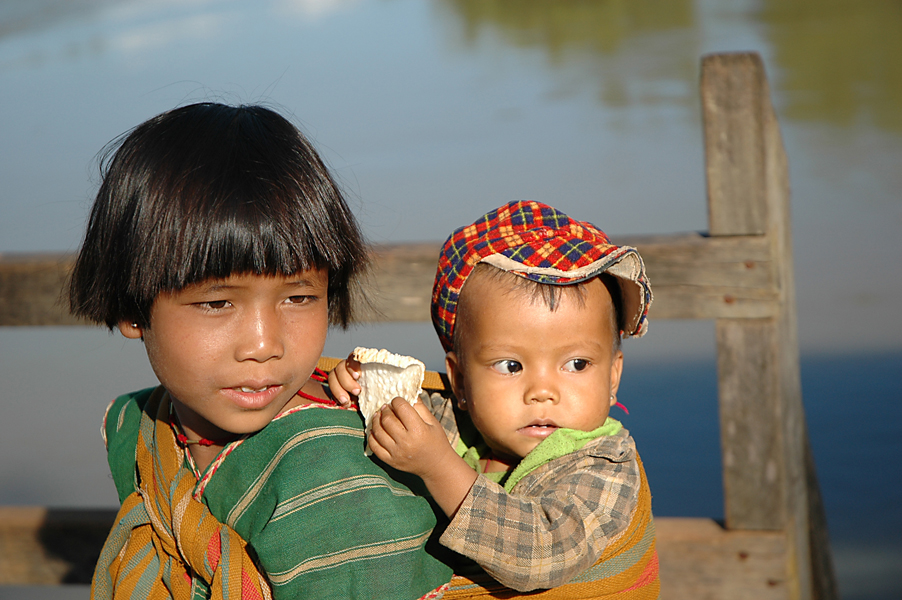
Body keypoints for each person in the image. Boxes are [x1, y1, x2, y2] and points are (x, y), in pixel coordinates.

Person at [67, 102, 452, 600]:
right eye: (216, 303)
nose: (264, 345)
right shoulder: (141, 427)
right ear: (132, 310)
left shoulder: (335, 489)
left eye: (298, 297)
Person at [330, 201, 660, 598]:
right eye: (510, 365)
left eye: (576, 363)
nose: (542, 391)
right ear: (461, 382)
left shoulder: (604, 466)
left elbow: (541, 554)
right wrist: (363, 387)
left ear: (613, 376)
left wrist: (439, 467)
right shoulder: (457, 423)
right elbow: (406, 421)